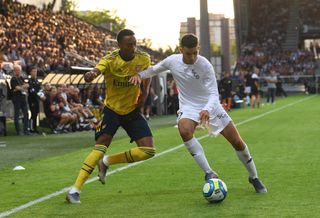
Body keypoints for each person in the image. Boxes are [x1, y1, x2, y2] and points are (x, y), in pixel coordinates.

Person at [130, 34, 267, 193]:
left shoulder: (205, 65)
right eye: (189, 53)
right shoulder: (172, 61)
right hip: (188, 107)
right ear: (181, 50)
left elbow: (214, 95)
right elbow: (154, 70)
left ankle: (254, 177)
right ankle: (209, 173)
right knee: (184, 130)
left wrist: (207, 110)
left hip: (211, 106)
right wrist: (139, 75)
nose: (193, 56)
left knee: (237, 142)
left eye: (196, 52)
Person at [66, 29, 156, 203]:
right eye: (130, 44)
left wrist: (143, 98)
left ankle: (107, 162)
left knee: (148, 151)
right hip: (112, 110)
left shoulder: (143, 58)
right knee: (100, 146)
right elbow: (96, 71)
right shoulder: (109, 59)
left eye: (135, 43)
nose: (134, 47)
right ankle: (75, 190)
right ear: (120, 45)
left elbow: (147, 79)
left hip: (132, 111)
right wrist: (90, 75)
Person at [10, 64, 30, 135]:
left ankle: (26, 130)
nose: (18, 71)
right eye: (16, 70)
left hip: (23, 98)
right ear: (14, 71)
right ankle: (18, 131)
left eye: (19, 70)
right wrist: (22, 87)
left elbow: (27, 86)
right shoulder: (13, 79)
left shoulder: (21, 78)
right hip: (17, 98)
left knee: (26, 114)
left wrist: (21, 87)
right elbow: (17, 88)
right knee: (17, 114)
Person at [28, 66, 41, 133]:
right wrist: (38, 95)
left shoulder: (37, 81)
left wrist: (42, 96)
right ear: (30, 72)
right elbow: (32, 90)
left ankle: (35, 128)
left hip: (37, 100)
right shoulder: (29, 81)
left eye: (35, 71)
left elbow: (40, 89)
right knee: (33, 114)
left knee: (36, 114)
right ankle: (31, 128)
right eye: (33, 71)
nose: (35, 73)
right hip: (32, 100)